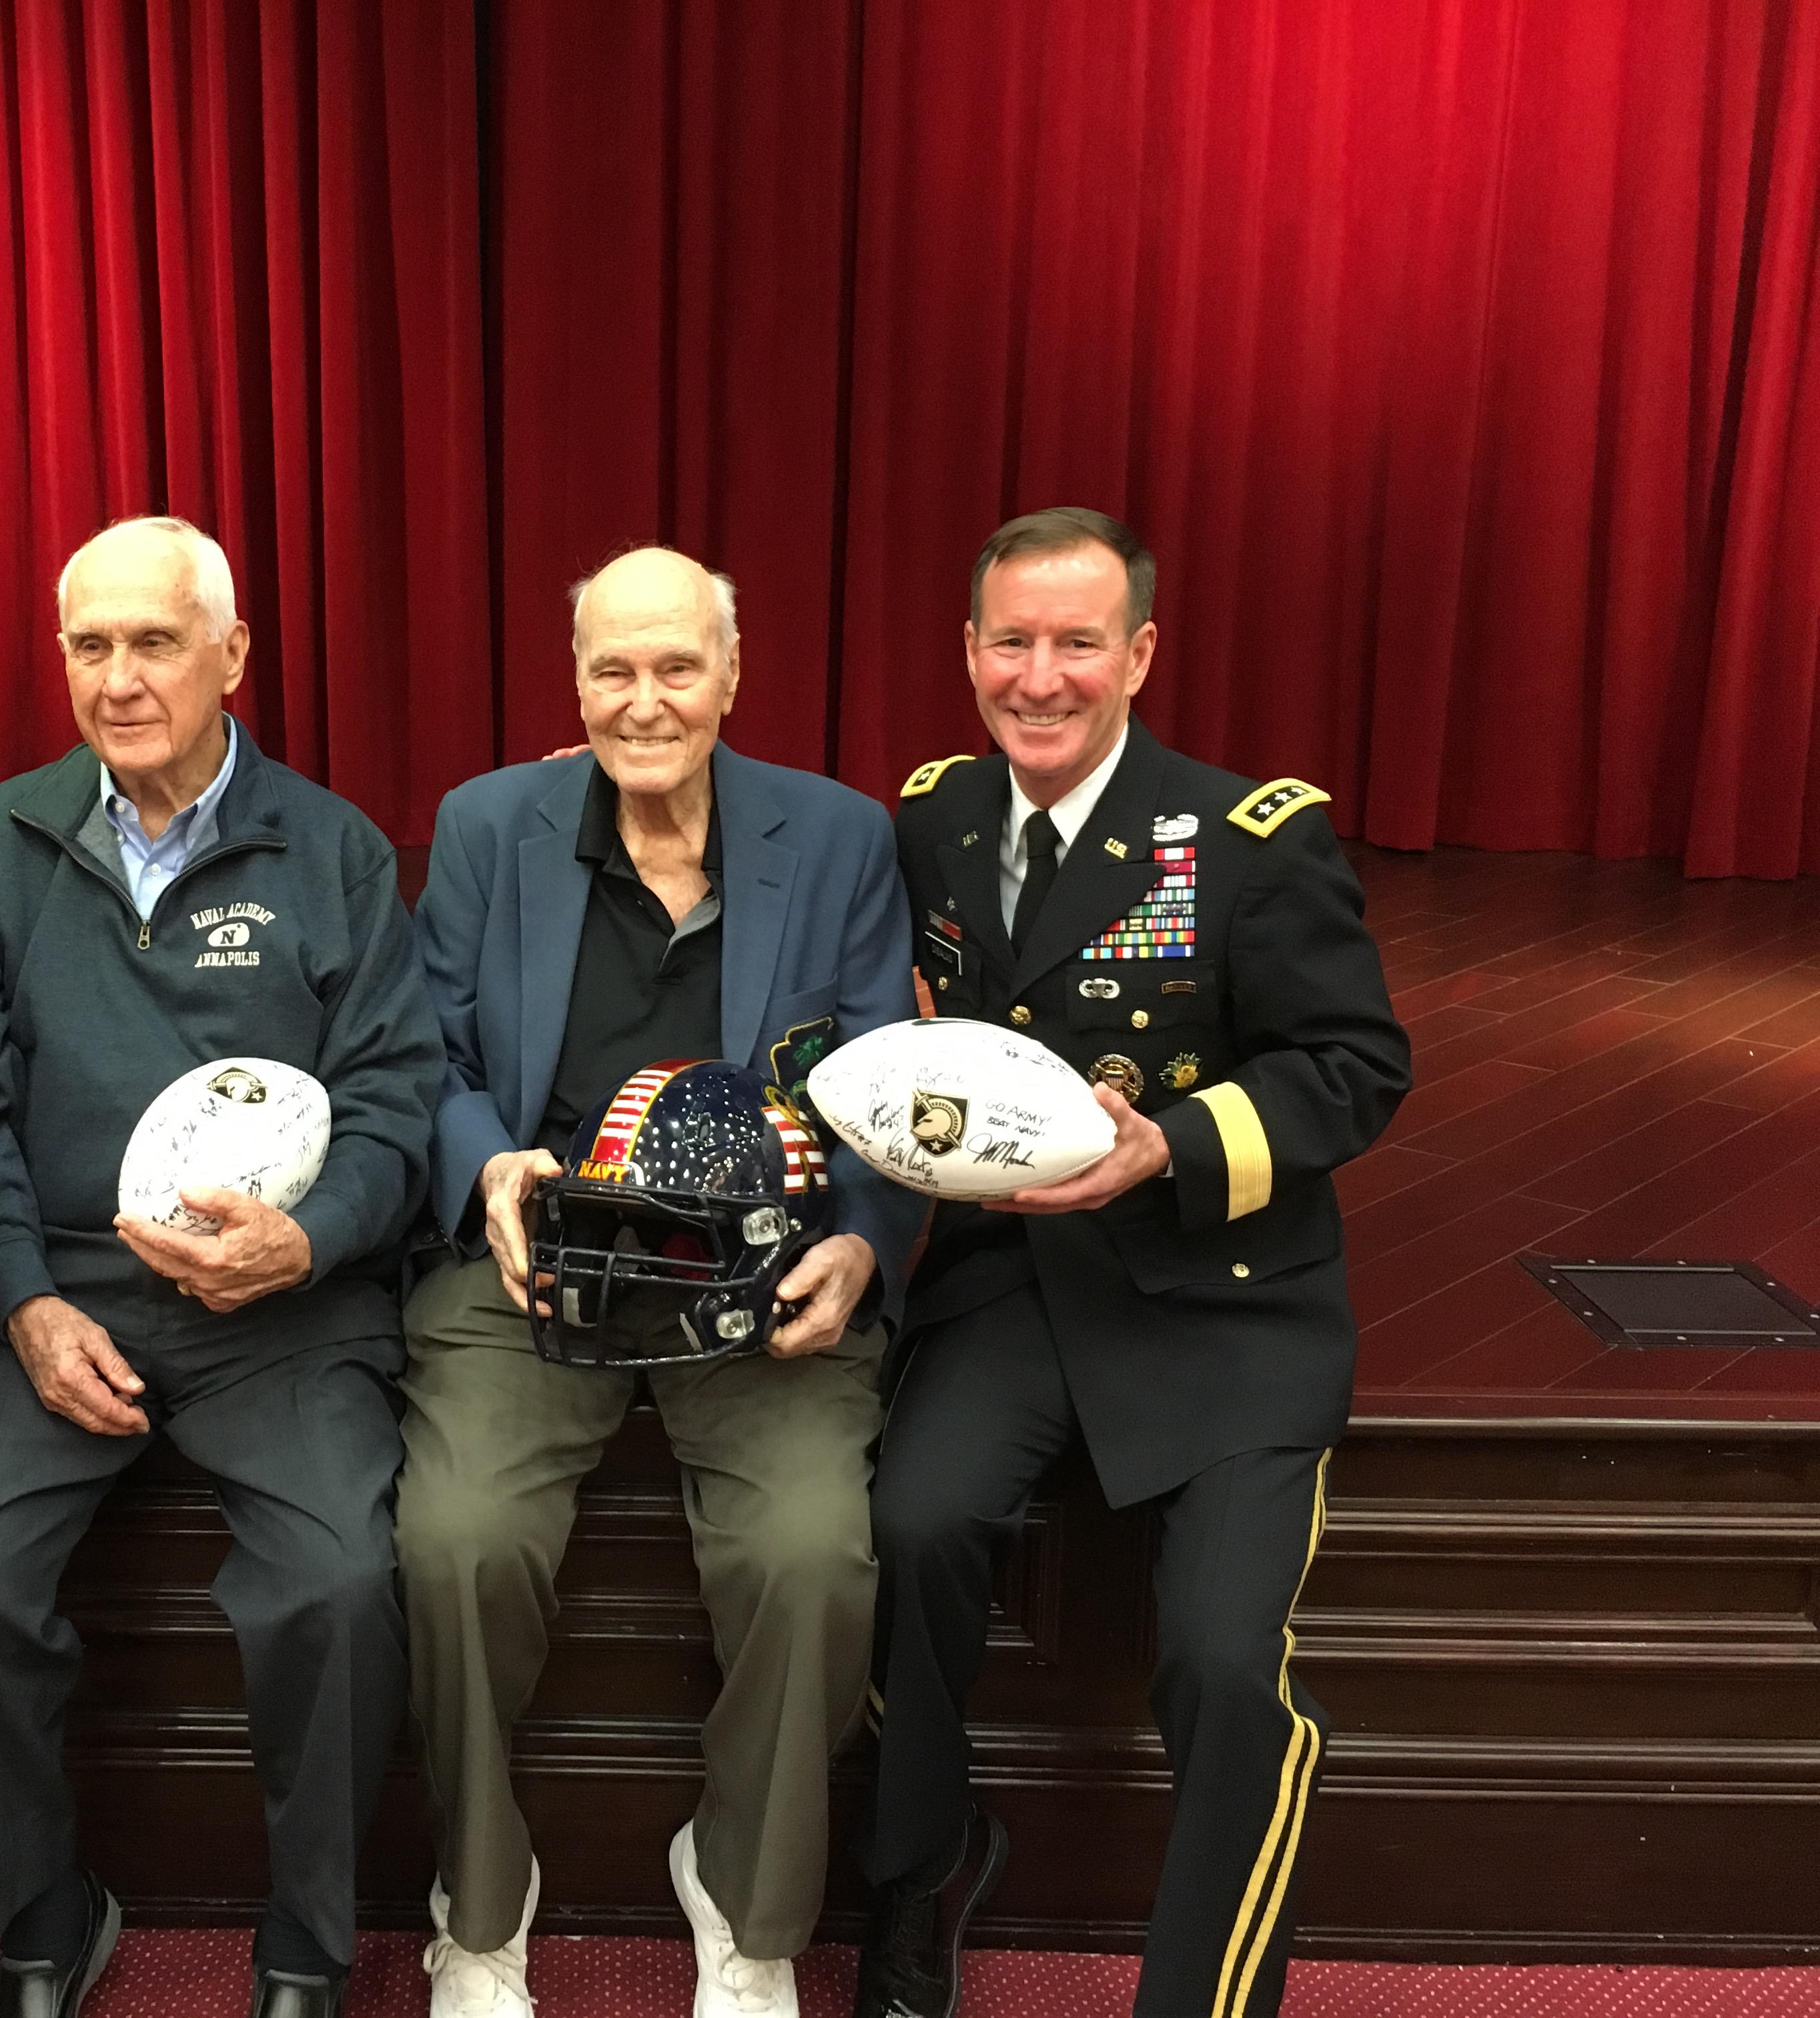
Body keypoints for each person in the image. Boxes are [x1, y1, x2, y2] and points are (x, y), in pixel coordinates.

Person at [0, 515, 444, 2018]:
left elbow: (396, 1103)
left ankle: (310, 1938)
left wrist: (308, 1243)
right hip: (66, 1290)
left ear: (232, 655)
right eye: (91, 646)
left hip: (284, 1303)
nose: (120, 678)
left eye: (154, 642)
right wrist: (23, 1300)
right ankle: (41, 1912)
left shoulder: (333, 851)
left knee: (338, 1583)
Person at [860, 509, 1412, 2018]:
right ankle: (917, 1870)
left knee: (1227, 1665)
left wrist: (1168, 1147)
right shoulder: (935, 819)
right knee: (908, 1531)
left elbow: (1356, 1068)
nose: (1041, 678)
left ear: (1141, 654)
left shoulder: (1250, 841)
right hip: (1017, 1286)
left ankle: (1206, 1999)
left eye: (1078, 643)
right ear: (970, 651)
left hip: (1224, 1300)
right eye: (1012, 642)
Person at [400, 547, 922, 2018]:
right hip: (538, 1263)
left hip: (764, 1274)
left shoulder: (836, 836)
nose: (644, 701)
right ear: (574, 682)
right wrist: (487, 1169)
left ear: (731, 677)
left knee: (813, 1555)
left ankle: (746, 1904)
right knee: (453, 1540)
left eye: (676, 667)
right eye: (612, 670)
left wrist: (865, 1239)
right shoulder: (487, 825)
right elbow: (429, 1053)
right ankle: (480, 1906)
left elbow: (884, 1080)